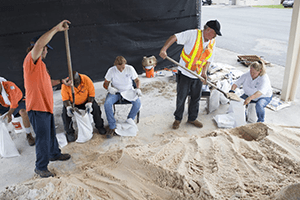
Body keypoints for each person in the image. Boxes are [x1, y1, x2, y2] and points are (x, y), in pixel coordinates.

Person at [23, 20, 72, 178]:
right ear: (40, 48)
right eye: (46, 49)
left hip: (46, 106)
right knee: (43, 138)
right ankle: (41, 167)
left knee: (50, 134)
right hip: (37, 107)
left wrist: (61, 82)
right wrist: (56, 29)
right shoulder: (31, 60)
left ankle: (54, 154)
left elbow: (47, 82)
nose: (46, 52)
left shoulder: (41, 66)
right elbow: (38, 45)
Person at [159, 20, 222, 129]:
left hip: (197, 75)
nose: (215, 36)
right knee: (181, 97)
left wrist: (204, 72)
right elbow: (174, 37)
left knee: (195, 98)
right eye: (214, 33)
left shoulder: (212, 41)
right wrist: (164, 49)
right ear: (208, 30)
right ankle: (178, 119)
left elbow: (208, 59)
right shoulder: (193, 34)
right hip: (185, 73)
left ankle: (192, 118)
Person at [61, 71, 106, 142]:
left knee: (96, 108)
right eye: (74, 84)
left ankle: (100, 126)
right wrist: (68, 107)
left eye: (77, 83)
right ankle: (70, 132)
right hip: (73, 103)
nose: (76, 86)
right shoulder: (65, 84)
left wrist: (89, 103)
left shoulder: (86, 79)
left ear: (79, 79)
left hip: (86, 101)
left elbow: (91, 94)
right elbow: (65, 99)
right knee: (64, 114)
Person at [103, 56, 142, 138]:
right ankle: (112, 126)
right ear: (115, 65)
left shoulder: (130, 68)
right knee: (107, 104)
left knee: (138, 103)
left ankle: (129, 119)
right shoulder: (111, 70)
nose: (121, 70)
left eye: (123, 67)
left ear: (125, 64)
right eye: (119, 68)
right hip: (116, 91)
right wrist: (109, 88)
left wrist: (138, 88)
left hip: (128, 91)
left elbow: (137, 80)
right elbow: (105, 83)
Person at [0, 77, 35, 146]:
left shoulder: (9, 85)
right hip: (6, 105)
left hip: (18, 103)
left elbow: (14, 102)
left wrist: (9, 114)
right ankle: (4, 137)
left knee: (23, 112)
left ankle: (29, 134)